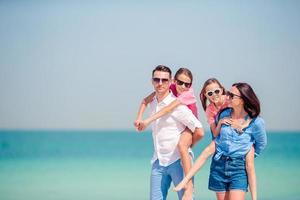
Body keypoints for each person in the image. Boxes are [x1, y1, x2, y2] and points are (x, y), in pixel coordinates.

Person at [174, 82, 267, 200]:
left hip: (238, 168)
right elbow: (216, 135)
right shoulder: (224, 114)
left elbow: (261, 143)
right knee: (206, 152)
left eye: (231, 95)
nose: (227, 97)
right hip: (219, 164)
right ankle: (186, 181)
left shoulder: (256, 122)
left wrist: (249, 151)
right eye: (228, 93)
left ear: (243, 100)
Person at [135, 65, 204, 200]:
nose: (160, 83)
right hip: (158, 162)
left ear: (170, 81)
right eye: (157, 79)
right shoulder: (153, 101)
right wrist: (139, 118)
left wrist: (188, 146)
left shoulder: (179, 106)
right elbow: (144, 101)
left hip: (178, 162)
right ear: (152, 81)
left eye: (164, 80)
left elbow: (199, 130)